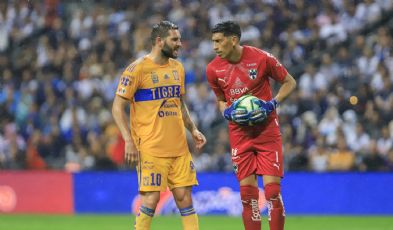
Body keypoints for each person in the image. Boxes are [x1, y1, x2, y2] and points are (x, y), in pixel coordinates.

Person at [112, 21, 206, 230]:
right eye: (175, 39)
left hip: (179, 147)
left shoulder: (178, 68)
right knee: (151, 200)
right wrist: (128, 140)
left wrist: (193, 129)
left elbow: (179, 103)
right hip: (151, 147)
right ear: (159, 41)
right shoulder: (137, 69)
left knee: (185, 198)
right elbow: (117, 107)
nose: (179, 44)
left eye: (179, 39)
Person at [206, 21, 296, 230]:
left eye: (219, 41)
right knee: (248, 197)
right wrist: (225, 111)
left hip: (266, 131)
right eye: (213, 42)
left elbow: (290, 82)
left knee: (272, 193)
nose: (215, 47)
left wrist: (272, 103)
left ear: (233, 40)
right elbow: (221, 100)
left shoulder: (262, 58)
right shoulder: (212, 69)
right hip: (239, 134)